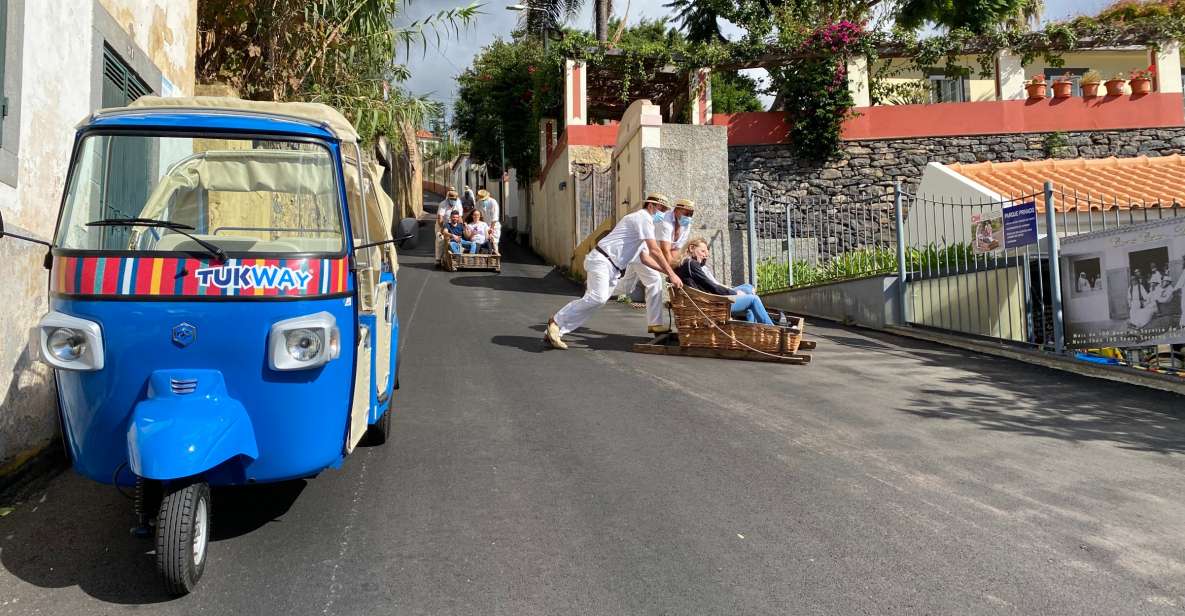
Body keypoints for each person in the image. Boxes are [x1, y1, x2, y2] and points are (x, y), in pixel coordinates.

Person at [545, 193, 683, 350]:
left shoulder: (644, 225)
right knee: (598, 297)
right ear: (651, 206)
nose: (663, 213)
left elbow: (645, 258)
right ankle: (555, 321)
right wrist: (671, 273)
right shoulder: (643, 218)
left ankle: (556, 331)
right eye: (661, 208)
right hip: (603, 260)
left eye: (665, 210)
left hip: (613, 268)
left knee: (597, 302)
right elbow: (655, 251)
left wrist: (666, 273)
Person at [612, 198, 697, 334]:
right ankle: (655, 324)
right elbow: (664, 249)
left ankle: (599, 288)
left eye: (691, 214)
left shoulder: (686, 224)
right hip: (644, 252)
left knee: (626, 286)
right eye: (686, 213)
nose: (688, 217)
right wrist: (672, 273)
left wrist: (677, 270)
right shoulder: (666, 221)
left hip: (650, 254)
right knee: (654, 281)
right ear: (677, 210)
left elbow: (675, 249)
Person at [675, 237, 775, 325]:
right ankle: (772, 330)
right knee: (754, 299)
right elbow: (712, 286)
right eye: (703, 251)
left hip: (708, 300)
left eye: (707, 252)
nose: (706, 255)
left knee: (747, 288)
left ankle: (752, 327)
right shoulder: (691, 264)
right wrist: (734, 293)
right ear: (691, 248)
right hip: (711, 304)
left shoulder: (685, 264)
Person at [435, 189, 464, 263]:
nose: (453, 200)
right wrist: (442, 228)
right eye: (451, 199)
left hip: (454, 224)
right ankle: (438, 258)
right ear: (448, 198)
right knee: (440, 239)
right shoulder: (443, 204)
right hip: (442, 224)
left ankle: (455, 256)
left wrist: (461, 228)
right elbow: (440, 217)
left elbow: (460, 217)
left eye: (454, 199)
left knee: (457, 239)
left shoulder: (458, 203)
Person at [476, 189, 502, 255]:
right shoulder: (479, 202)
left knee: (494, 241)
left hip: (494, 225)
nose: (482, 200)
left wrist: (491, 229)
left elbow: (495, 217)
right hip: (484, 224)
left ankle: (496, 258)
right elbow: (477, 212)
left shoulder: (493, 202)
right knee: (484, 241)